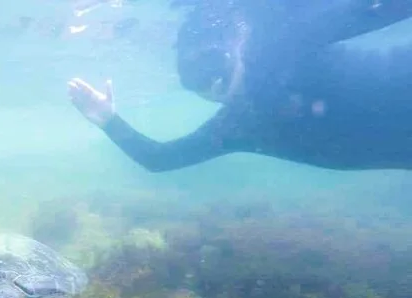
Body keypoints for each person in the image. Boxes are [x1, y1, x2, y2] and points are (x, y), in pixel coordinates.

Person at [68, 2, 412, 172]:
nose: (212, 81)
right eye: (194, 75)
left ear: (237, 49)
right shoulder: (237, 125)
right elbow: (160, 159)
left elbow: (379, 10)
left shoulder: (287, 45)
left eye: (212, 63)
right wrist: (108, 120)